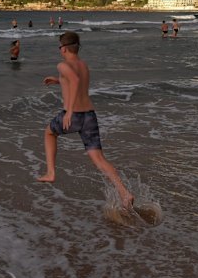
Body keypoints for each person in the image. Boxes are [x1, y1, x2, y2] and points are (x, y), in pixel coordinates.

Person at [37, 31, 135, 209]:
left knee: (49, 133)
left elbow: (73, 80)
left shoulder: (62, 65)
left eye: (60, 47)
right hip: (89, 115)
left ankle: (51, 172)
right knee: (99, 158)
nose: (60, 50)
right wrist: (58, 81)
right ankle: (124, 193)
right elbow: (76, 81)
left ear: (64, 48)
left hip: (74, 115)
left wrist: (69, 112)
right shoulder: (83, 65)